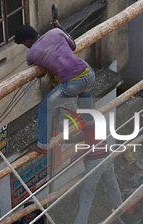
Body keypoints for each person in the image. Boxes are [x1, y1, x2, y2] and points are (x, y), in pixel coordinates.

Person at [15, 23, 94, 153]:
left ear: (28, 41)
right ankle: (89, 120)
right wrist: (61, 28)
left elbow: (41, 75)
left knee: (45, 108)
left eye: (24, 44)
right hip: (89, 72)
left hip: (73, 83)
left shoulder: (31, 54)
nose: (26, 46)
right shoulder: (56, 31)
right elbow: (73, 46)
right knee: (86, 92)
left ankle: (43, 146)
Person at [66, 124, 122, 224]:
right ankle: (119, 208)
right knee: (113, 186)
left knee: (86, 199)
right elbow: (82, 136)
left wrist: (60, 128)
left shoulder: (86, 120)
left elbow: (80, 134)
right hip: (107, 158)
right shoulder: (96, 119)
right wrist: (66, 139)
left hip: (95, 164)